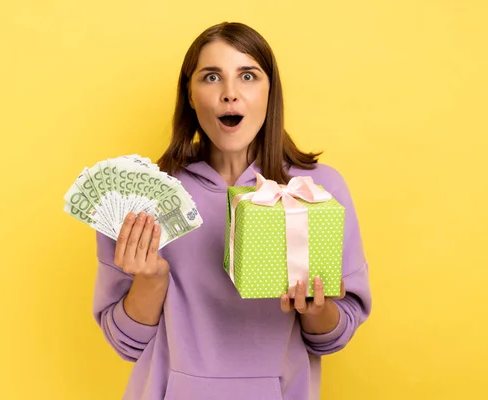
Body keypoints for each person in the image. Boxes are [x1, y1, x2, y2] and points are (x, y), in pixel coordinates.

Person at [92, 21, 372, 400]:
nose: (230, 94)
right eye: (211, 77)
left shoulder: (319, 190)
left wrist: (313, 308)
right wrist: (152, 280)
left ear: (270, 92)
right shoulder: (142, 196)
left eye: (248, 75)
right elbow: (125, 343)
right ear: (189, 95)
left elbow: (334, 337)